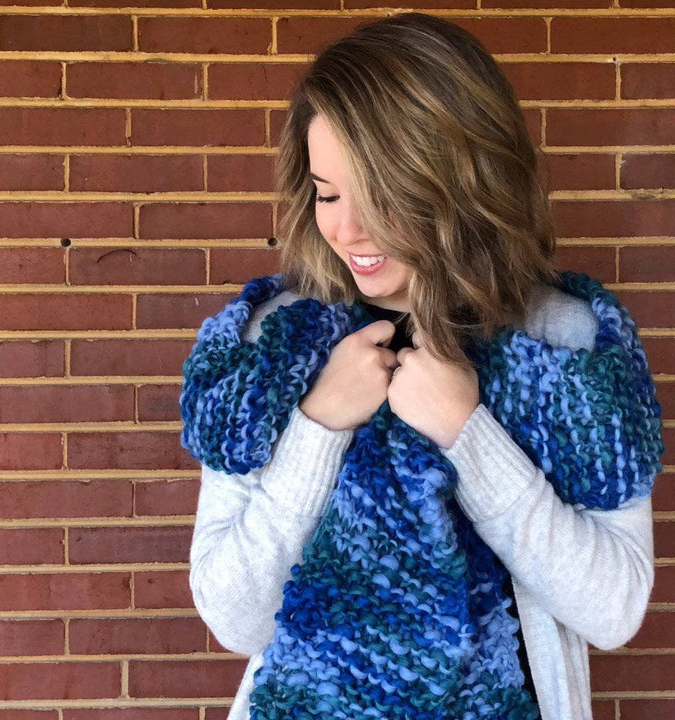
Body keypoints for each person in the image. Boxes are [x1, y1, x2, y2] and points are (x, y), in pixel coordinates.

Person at [183, 12, 663, 720]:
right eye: (328, 193)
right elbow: (235, 618)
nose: (346, 230)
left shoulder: (565, 347)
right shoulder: (276, 346)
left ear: (460, 178)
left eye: (380, 194)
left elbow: (615, 607)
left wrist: (470, 433)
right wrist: (317, 427)